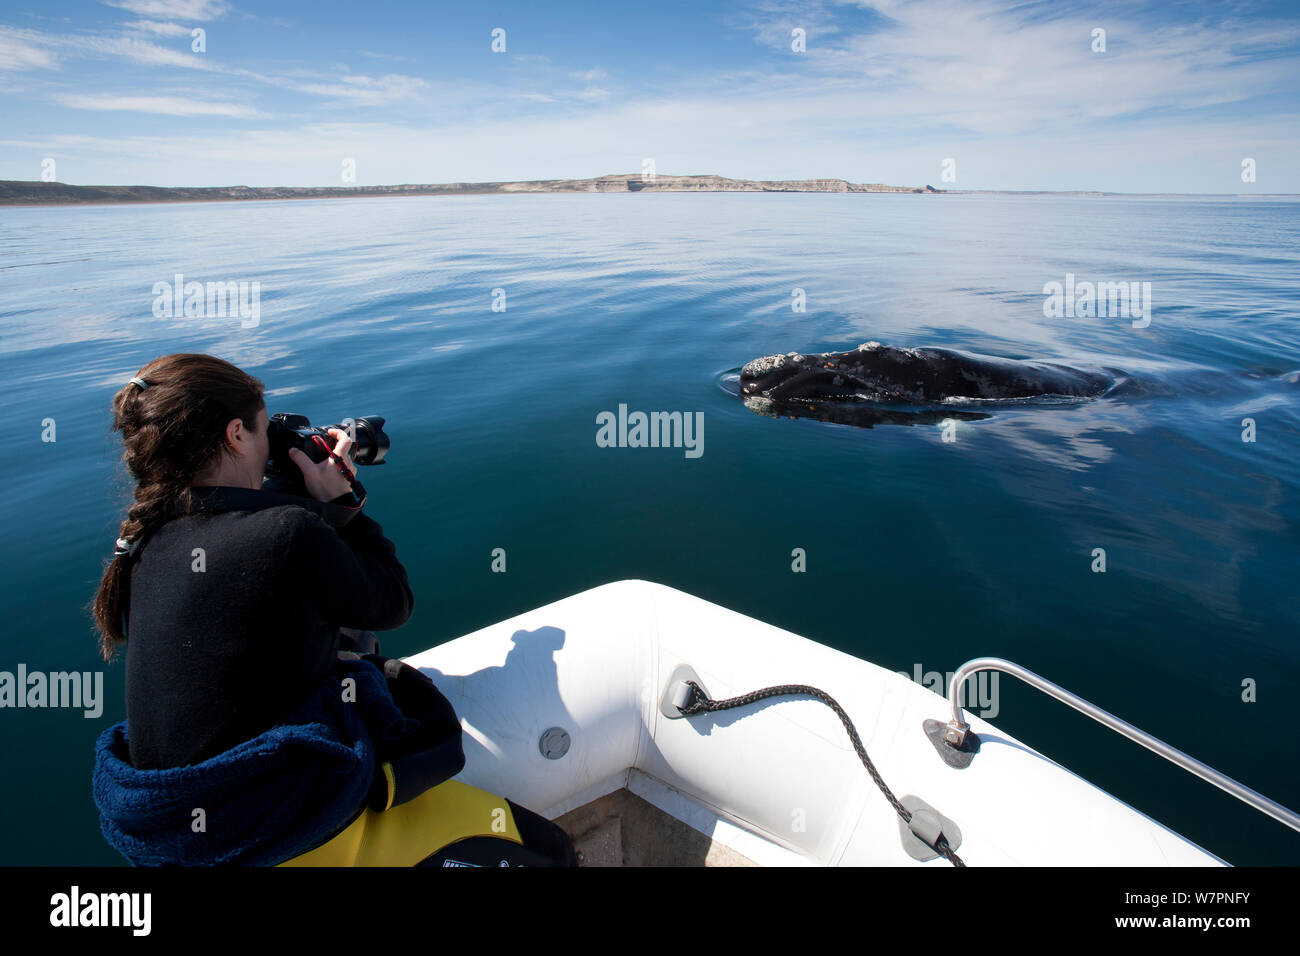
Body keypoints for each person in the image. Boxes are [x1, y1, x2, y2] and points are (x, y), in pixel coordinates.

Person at [90, 353, 578, 867]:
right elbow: (394, 601)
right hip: (281, 837)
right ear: (236, 434)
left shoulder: (145, 541)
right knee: (549, 850)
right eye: (263, 432)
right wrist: (340, 498)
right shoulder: (284, 535)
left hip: (181, 837)